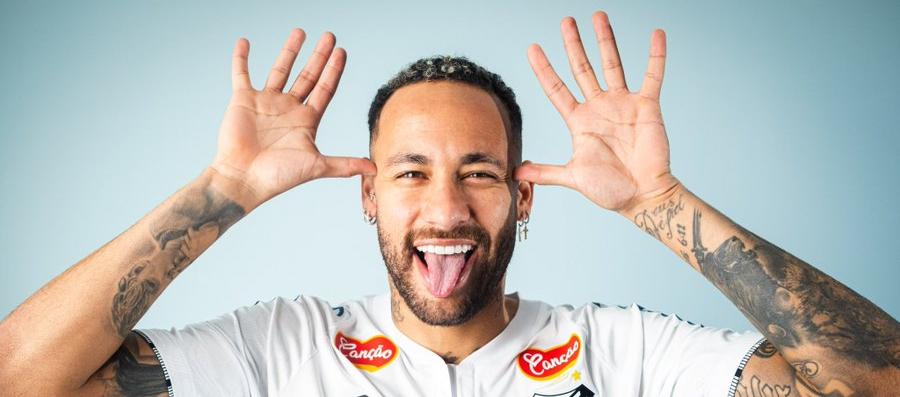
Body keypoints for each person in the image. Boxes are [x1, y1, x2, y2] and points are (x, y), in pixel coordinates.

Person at [0, 9, 897, 397]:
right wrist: (220, 194)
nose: (447, 206)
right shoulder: (275, 351)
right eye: (411, 170)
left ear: (524, 195)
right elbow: (20, 378)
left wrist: (660, 202)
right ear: (367, 195)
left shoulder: (627, 353)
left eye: (479, 170)